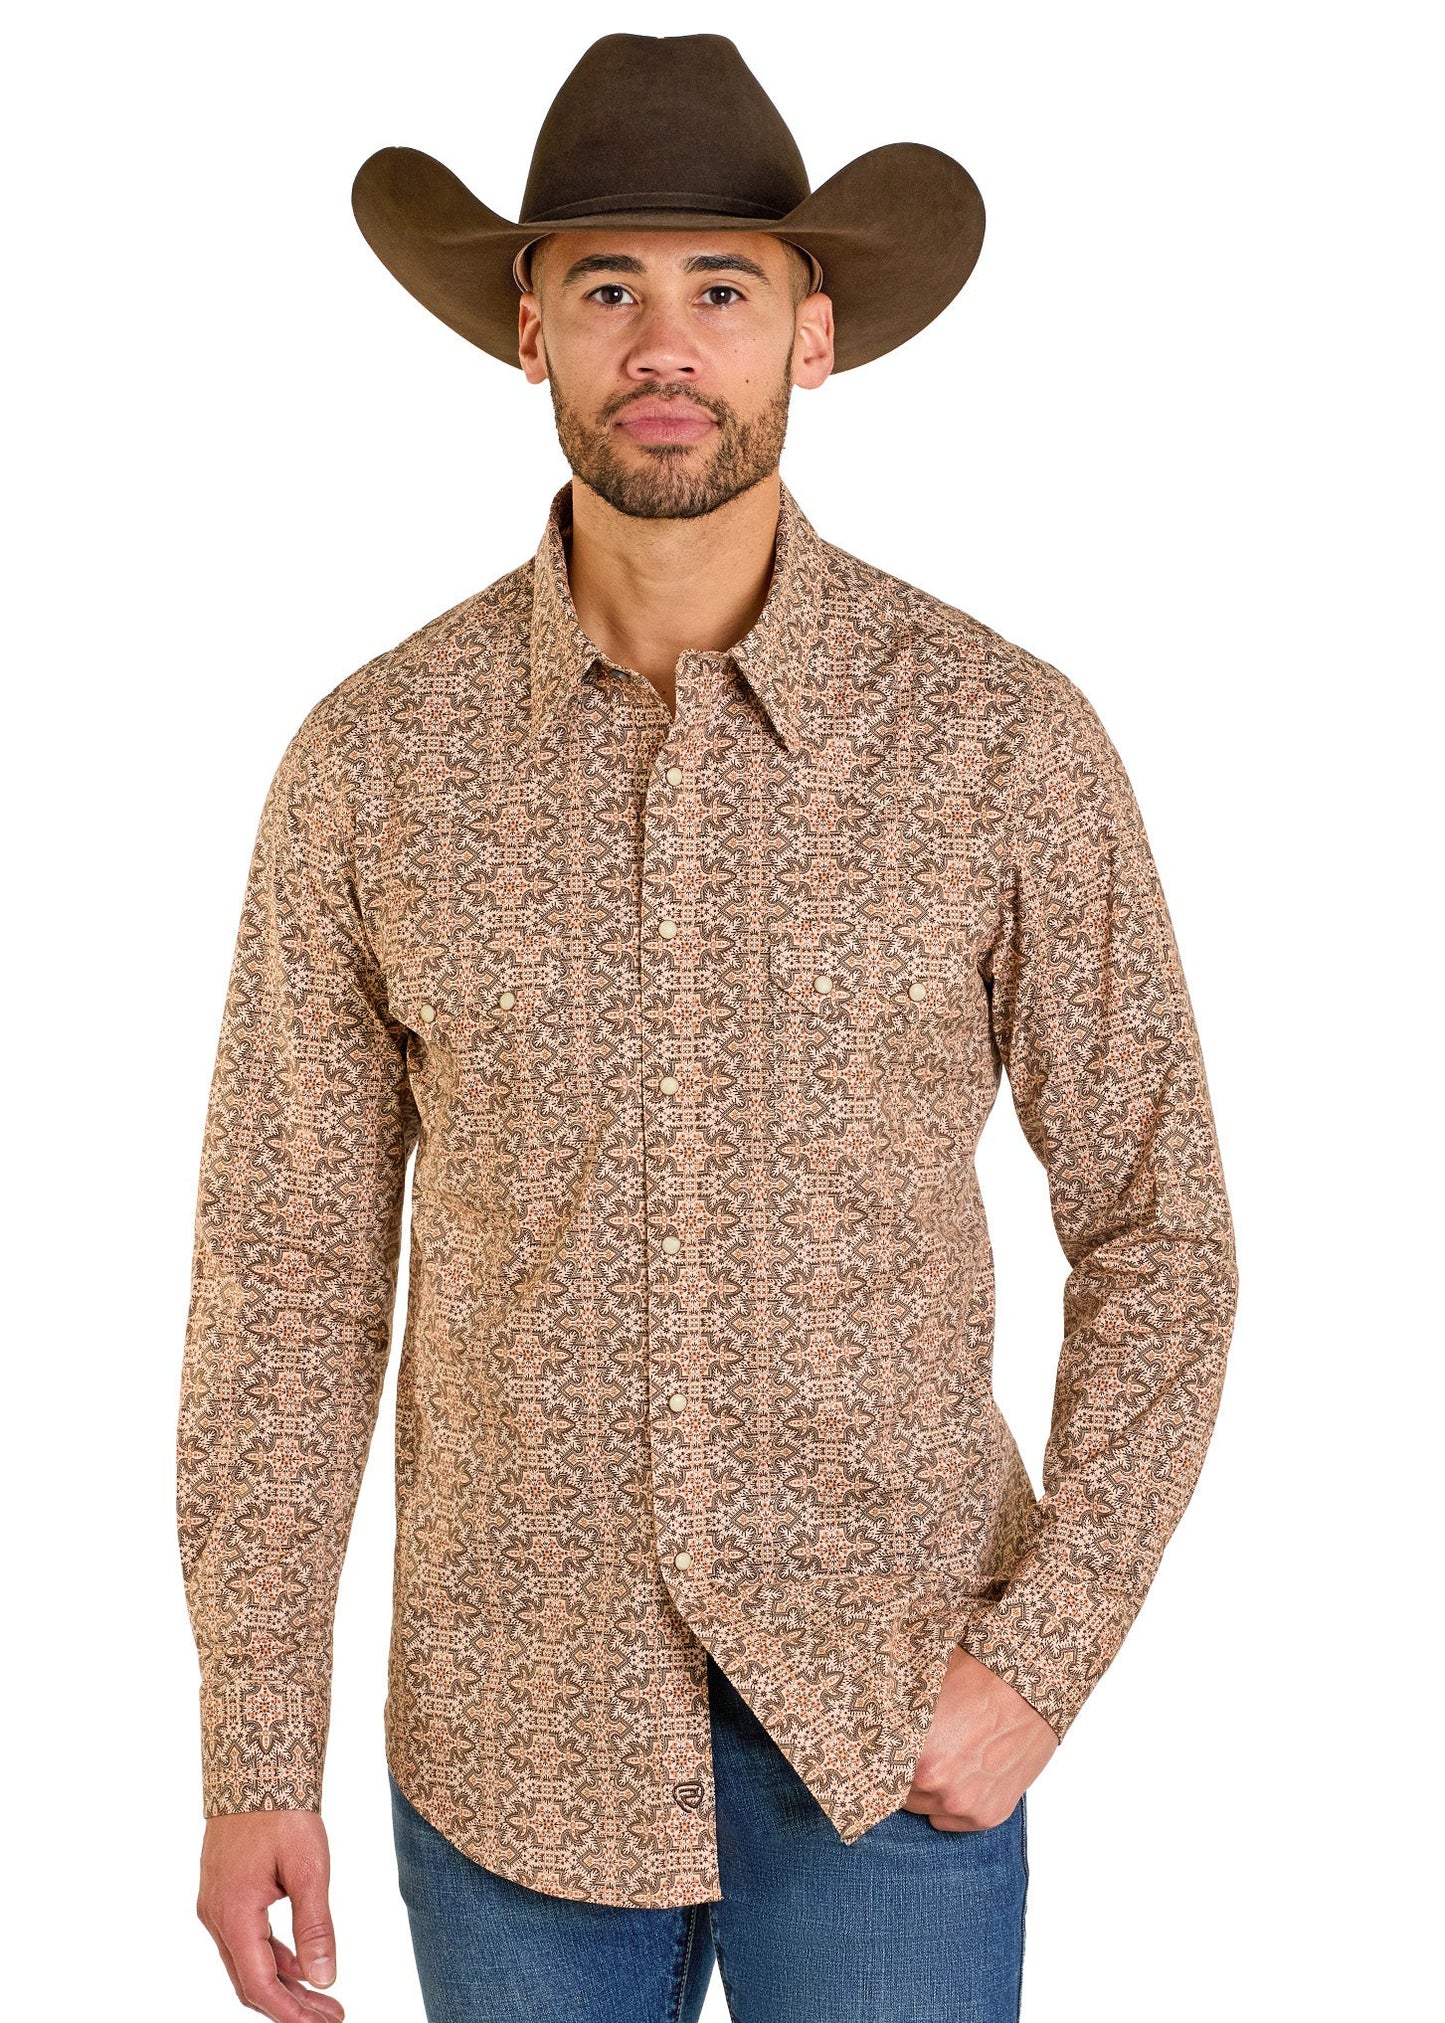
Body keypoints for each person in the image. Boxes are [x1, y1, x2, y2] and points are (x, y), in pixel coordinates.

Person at [177, 32, 1239, 2023]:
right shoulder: (373, 765)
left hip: (891, 1735)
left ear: (811, 338)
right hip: (508, 1742)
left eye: (723, 290)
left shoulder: (999, 742)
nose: (665, 343)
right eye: (608, 287)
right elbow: (286, 1281)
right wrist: (255, 1749)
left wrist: (1043, 1654)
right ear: (529, 332)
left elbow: (1160, 1225)